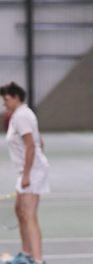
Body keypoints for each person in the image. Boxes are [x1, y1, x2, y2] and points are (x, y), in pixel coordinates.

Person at [0, 82, 49, 264]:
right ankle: (25, 255)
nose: (4, 103)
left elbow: (30, 145)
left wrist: (29, 174)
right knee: (20, 211)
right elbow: (39, 141)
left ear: (16, 97)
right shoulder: (19, 115)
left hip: (31, 172)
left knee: (29, 215)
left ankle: (37, 260)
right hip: (27, 170)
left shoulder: (21, 116)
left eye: (6, 99)